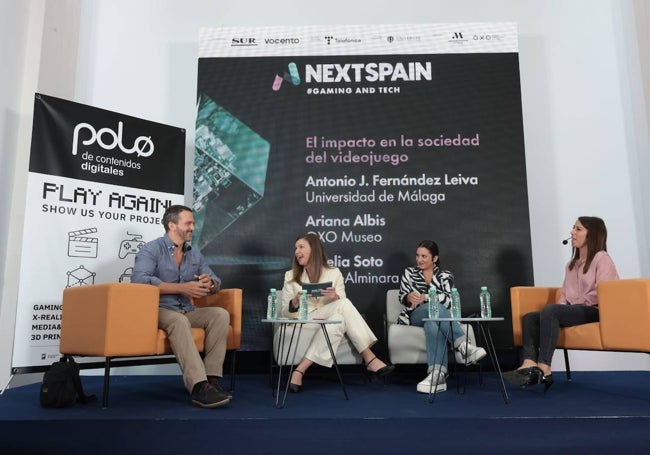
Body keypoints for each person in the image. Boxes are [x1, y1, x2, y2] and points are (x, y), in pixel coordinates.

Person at [503, 216, 619, 392]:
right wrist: (560, 310)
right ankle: (528, 362)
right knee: (530, 318)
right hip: (576, 310)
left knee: (551, 310)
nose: (572, 232)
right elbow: (565, 294)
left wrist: (559, 311)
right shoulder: (571, 265)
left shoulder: (602, 259)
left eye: (578, 229)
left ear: (592, 234)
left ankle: (544, 367)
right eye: (573, 228)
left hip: (595, 310)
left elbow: (606, 292)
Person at [132, 204, 231, 408]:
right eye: (188, 223)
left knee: (220, 314)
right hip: (158, 310)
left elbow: (215, 280)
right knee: (177, 320)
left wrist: (210, 283)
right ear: (172, 225)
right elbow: (139, 281)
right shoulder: (151, 249)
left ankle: (211, 380)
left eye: (193, 223)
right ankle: (198, 386)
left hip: (186, 310)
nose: (192, 228)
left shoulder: (194, 253)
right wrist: (181, 288)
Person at [280, 233, 394, 392]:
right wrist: (295, 302)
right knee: (343, 308)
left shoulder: (334, 273)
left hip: (328, 319)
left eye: (301, 247)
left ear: (314, 250)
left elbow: (343, 305)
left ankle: (299, 370)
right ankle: (369, 357)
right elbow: (284, 312)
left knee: (339, 317)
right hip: (304, 321)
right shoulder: (290, 276)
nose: (296, 251)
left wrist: (335, 297)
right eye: (296, 248)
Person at [398, 240, 487, 394]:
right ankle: (463, 345)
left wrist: (427, 297)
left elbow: (448, 300)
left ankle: (437, 375)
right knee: (433, 310)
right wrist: (408, 297)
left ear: (435, 258)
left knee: (433, 321)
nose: (419, 259)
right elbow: (402, 296)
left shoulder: (446, 275)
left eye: (424, 256)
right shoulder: (409, 272)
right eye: (418, 255)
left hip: (437, 316)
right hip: (415, 315)